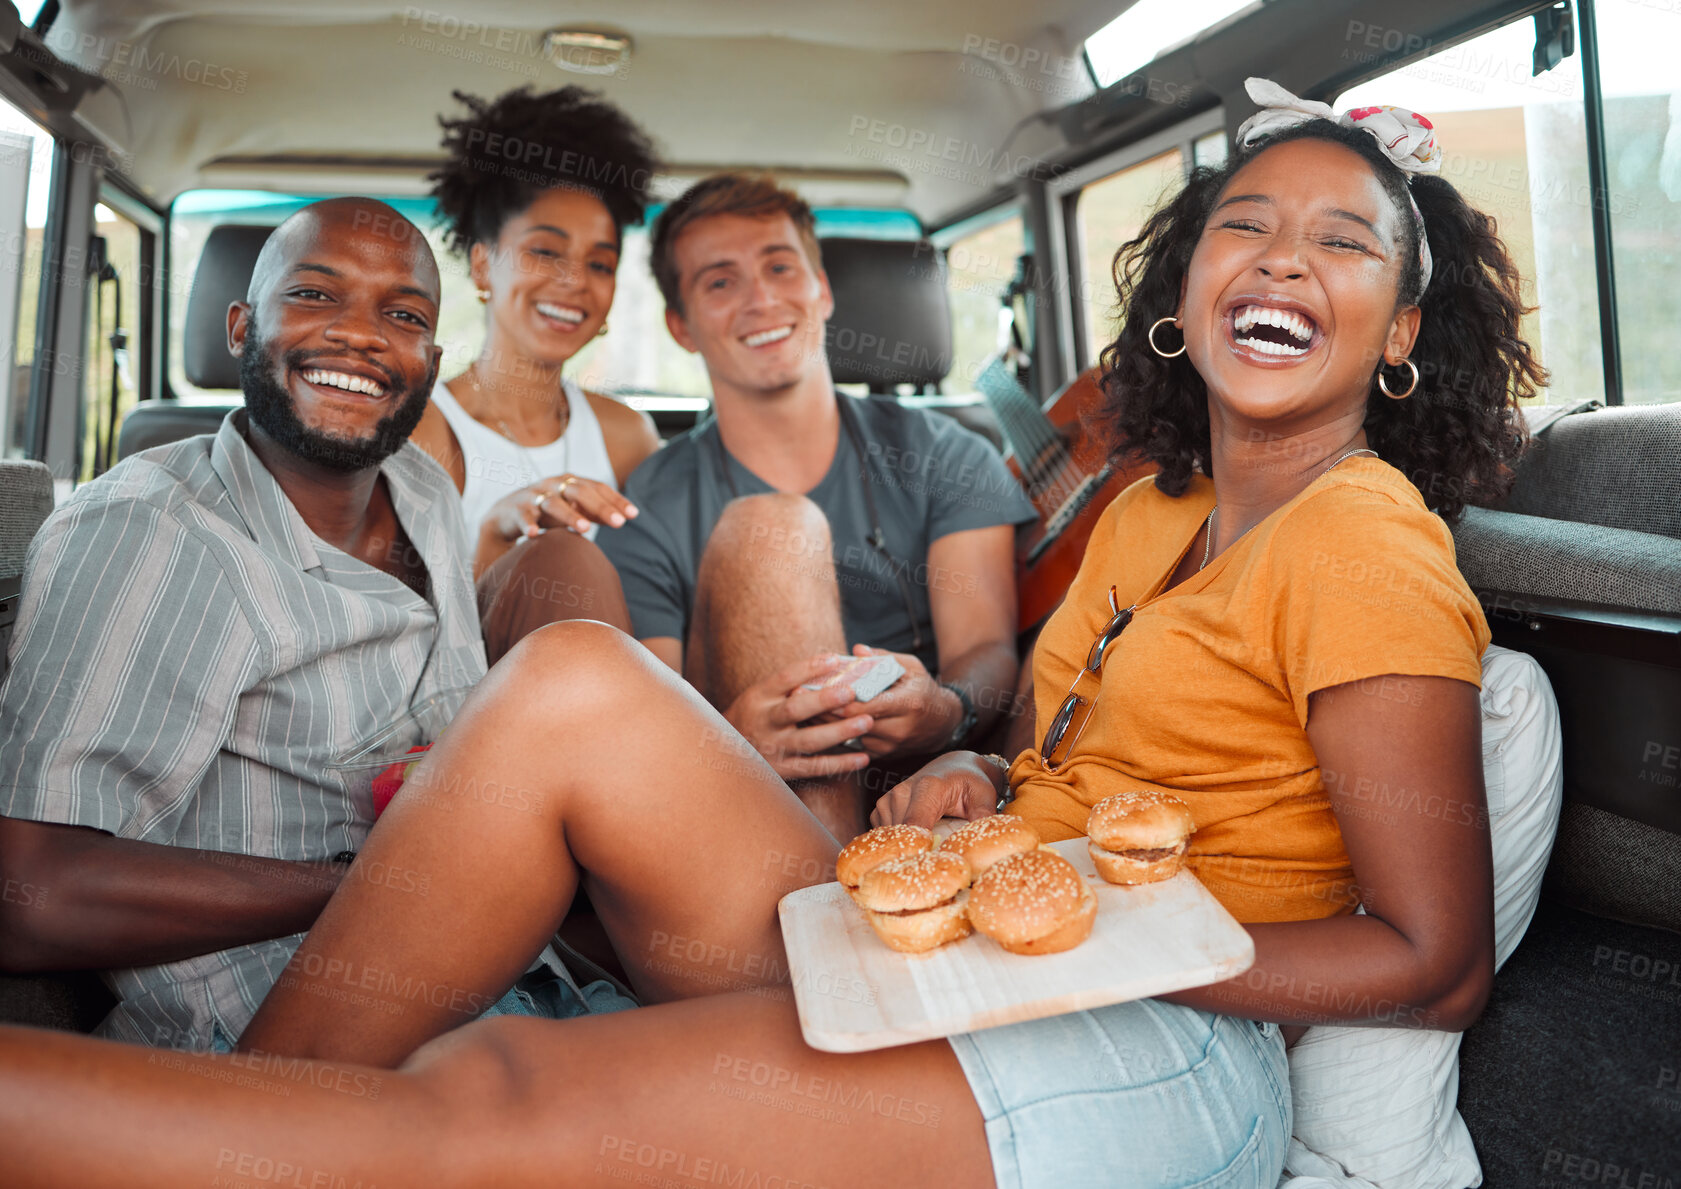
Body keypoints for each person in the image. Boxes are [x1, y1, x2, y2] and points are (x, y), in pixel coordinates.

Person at [1, 81, 1542, 1188]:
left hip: (1140, 1051)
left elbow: (1434, 964)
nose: (1279, 258)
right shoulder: (1149, 514)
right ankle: (251, 1124)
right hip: (937, 934)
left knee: (489, 1083)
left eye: (1341, 245)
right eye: (1244, 227)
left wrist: (1068, 939)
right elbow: (1069, 758)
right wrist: (984, 792)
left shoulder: (1362, 545)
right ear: (1183, 288)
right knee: (570, 678)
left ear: (1402, 330)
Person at [0, 198, 616, 1051]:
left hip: (507, 966)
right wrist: (395, 879)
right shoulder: (147, 533)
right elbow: (29, 897)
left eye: (402, 315)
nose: (361, 335)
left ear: (430, 361)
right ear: (242, 326)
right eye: (316, 296)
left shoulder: (424, 490)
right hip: (294, 1021)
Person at [597, 173, 1037, 839]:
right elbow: (657, 719)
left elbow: (983, 646)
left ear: (821, 289)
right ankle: (821, 885)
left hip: (925, 808)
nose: (761, 298)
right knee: (773, 526)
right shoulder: (648, 504)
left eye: (779, 266)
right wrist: (728, 738)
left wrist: (944, 709)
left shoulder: (944, 453)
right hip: (743, 815)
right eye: (720, 281)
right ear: (680, 326)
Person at [406, 85, 663, 657]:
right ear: (481, 264)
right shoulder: (421, 430)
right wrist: (498, 535)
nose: (575, 282)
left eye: (600, 264)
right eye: (546, 252)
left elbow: (657, 602)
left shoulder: (627, 437)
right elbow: (406, 633)